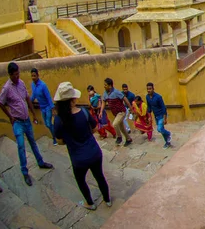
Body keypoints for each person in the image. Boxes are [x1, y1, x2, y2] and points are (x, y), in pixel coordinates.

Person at [53, 82, 111, 210]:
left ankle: (90, 203)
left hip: (78, 159)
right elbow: (95, 128)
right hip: (94, 152)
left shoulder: (58, 120)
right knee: (100, 176)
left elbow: (60, 141)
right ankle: (107, 200)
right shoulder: (84, 112)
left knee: (81, 181)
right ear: (73, 100)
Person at [0, 62, 53, 186]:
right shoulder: (6, 88)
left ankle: (40, 162)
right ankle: (24, 171)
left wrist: (33, 113)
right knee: (21, 146)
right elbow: (1, 102)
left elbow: (27, 98)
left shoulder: (21, 83)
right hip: (17, 121)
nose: (17, 76)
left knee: (33, 142)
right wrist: (10, 117)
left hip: (26, 119)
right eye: (15, 75)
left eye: (18, 74)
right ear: (10, 75)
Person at [100, 78, 132, 147]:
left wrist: (130, 108)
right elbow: (103, 101)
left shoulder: (116, 92)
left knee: (114, 124)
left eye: (105, 85)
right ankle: (128, 139)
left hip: (121, 112)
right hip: (116, 114)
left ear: (110, 86)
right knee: (122, 128)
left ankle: (119, 137)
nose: (104, 86)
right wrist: (101, 111)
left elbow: (125, 99)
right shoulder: (105, 93)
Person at [30, 68, 57, 145]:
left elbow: (48, 97)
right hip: (42, 108)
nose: (33, 77)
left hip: (48, 107)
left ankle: (54, 138)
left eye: (34, 76)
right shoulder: (33, 85)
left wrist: (52, 108)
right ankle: (55, 133)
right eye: (32, 76)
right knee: (46, 124)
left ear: (38, 76)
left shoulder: (43, 85)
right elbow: (34, 95)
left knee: (48, 123)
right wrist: (29, 101)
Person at [146, 82, 172, 149]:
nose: (149, 90)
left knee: (159, 129)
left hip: (161, 115)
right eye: (147, 89)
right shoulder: (147, 97)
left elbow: (163, 107)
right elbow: (149, 108)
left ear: (153, 89)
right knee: (162, 129)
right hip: (156, 116)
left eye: (150, 89)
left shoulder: (158, 97)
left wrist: (165, 118)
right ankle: (167, 142)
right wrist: (149, 117)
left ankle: (168, 133)